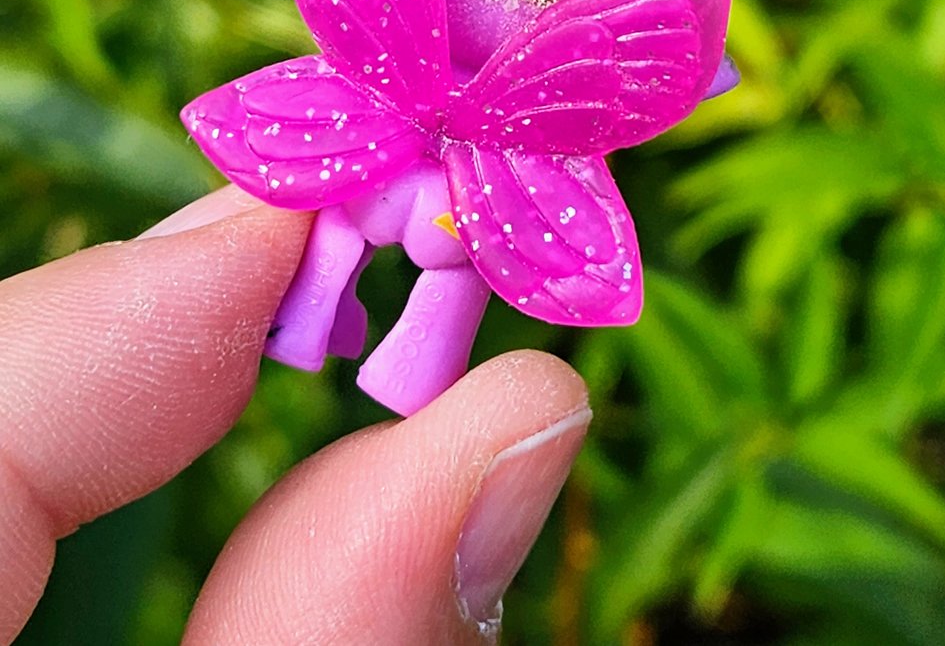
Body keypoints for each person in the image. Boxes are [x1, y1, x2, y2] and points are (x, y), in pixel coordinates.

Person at [0, 186, 591, 645]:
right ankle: (399, 363)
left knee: (342, 241)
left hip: (387, 194)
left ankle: (314, 327)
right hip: (455, 214)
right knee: (444, 280)